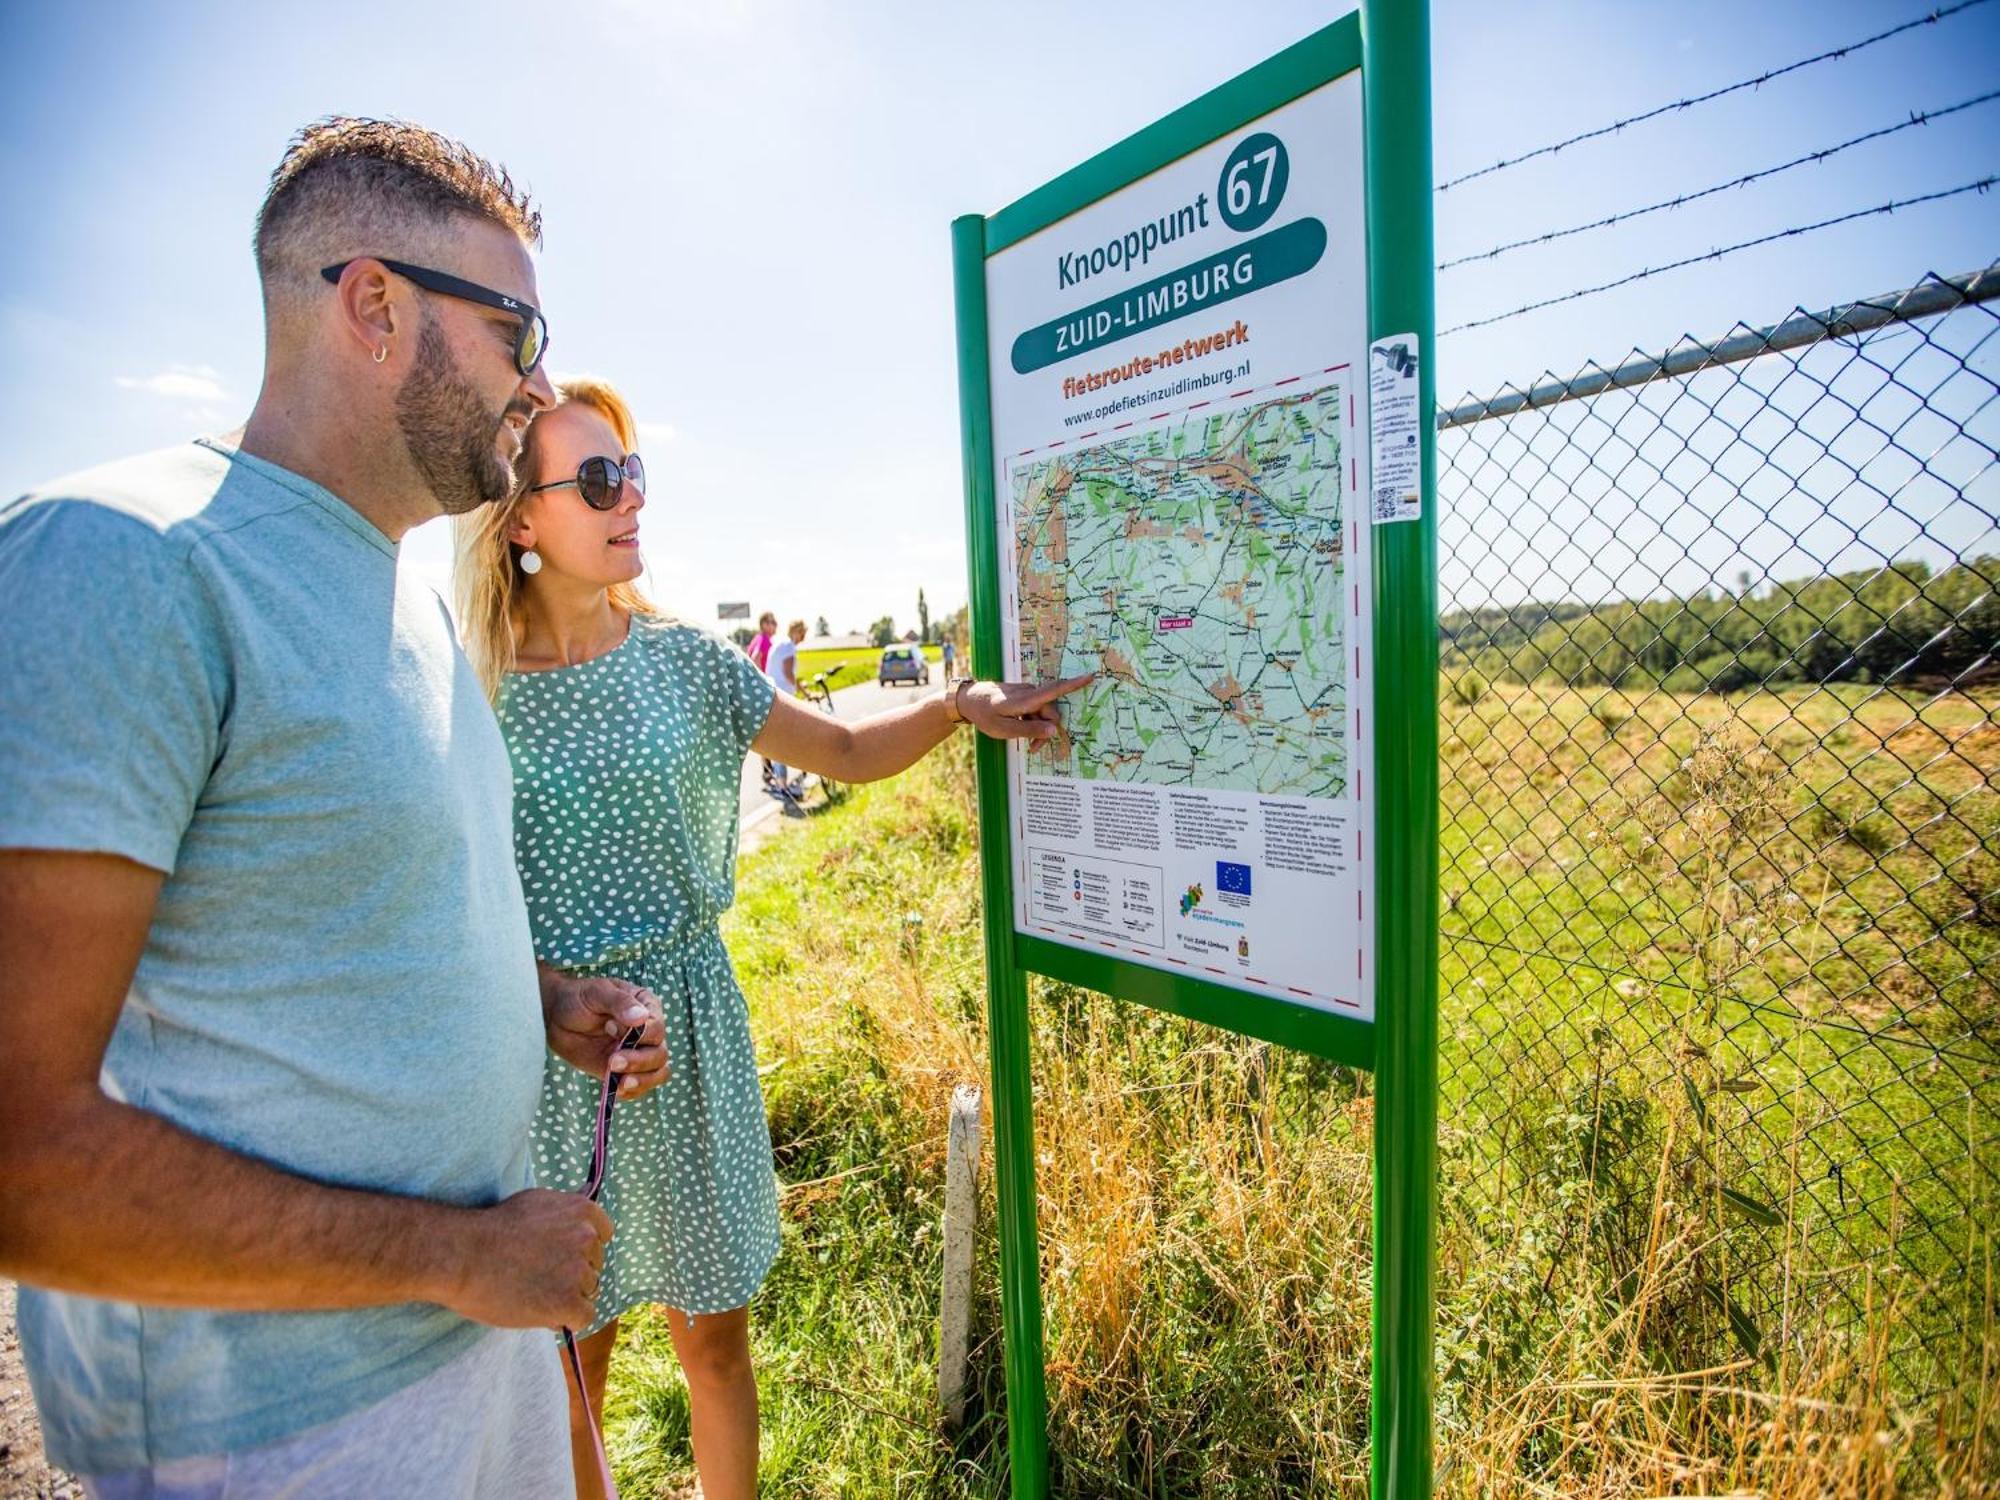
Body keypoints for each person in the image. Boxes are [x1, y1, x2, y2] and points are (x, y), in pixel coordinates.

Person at [0, 119, 668, 1498]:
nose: (538, 388)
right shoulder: (129, 557)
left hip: (476, 1349)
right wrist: (458, 1256)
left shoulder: (407, 599)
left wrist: (538, 1000)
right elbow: (20, 1156)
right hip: (285, 1434)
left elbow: (330, 913)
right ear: (373, 305)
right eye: (518, 333)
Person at [454, 375, 1090, 1500]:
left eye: (633, 469)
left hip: (690, 1039)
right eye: (596, 478)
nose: (629, 496)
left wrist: (954, 707)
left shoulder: (688, 660)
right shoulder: (474, 693)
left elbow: (840, 751)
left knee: (713, 1347)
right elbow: (454, 900)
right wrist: (550, 996)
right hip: (548, 1065)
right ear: (518, 520)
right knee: (572, 1364)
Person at [763, 618, 808, 796]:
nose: (804, 638)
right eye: (803, 633)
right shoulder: (789, 646)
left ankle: (781, 783)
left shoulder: (778, 644)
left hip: (773, 695)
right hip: (784, 699)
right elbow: (788, 672)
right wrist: (803, 691)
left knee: (778, 741)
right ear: (797, 632)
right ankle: (783, 786)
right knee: (785, 741)